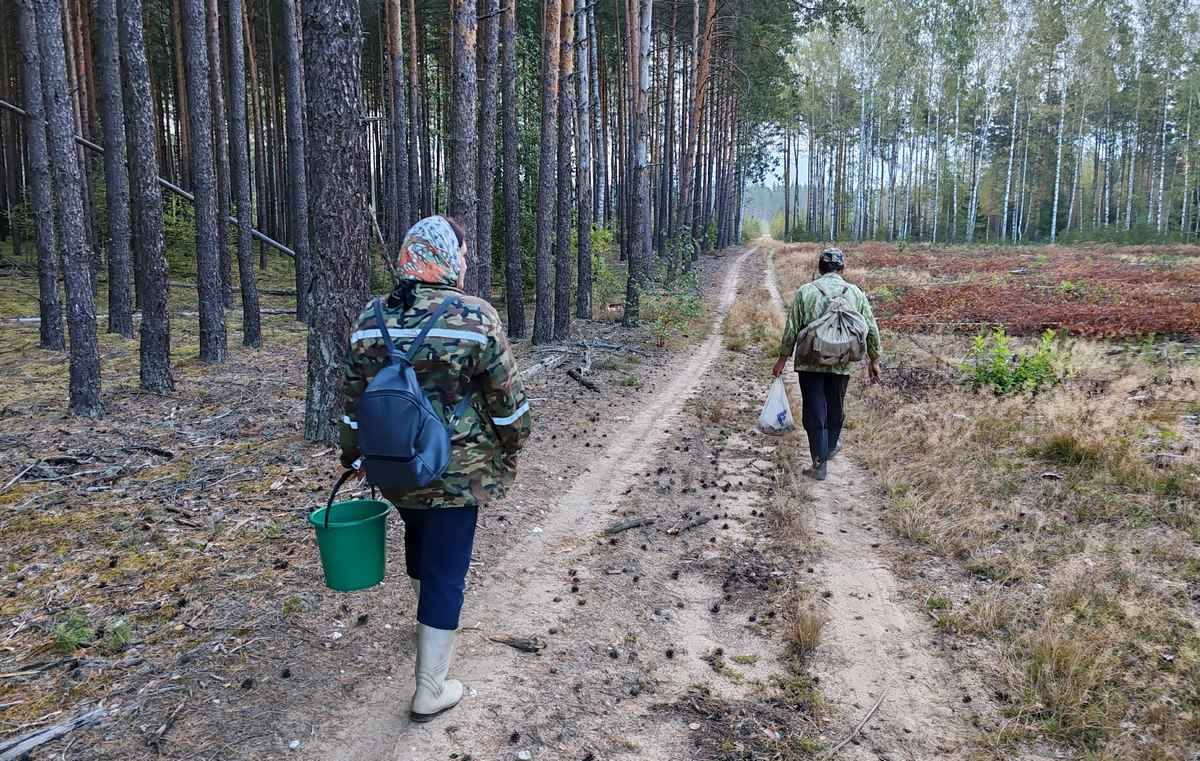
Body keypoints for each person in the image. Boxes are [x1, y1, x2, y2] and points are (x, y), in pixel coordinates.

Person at [338, 215, 531, 722]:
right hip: (457, 470)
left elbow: (350, 403)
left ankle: (428, 628)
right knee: (447, 569)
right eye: (463, 253)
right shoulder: (474, 317)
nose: (465, 263)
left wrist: (353, 455)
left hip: (395, 466)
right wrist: (513, 446)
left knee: (419, 539)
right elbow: (507, 404)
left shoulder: (370, 317)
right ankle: (431, 687)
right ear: (446, 255)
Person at [773, 247, 880, 481]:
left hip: (810, 362)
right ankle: (830, 446)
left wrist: (782, 359)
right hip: (842, 361)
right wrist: (874, 359)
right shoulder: (855, 293)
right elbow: (871, 328)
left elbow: (792, 329)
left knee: (815, 411)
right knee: (836, 407)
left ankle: (819, 464)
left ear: (820, 267)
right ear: (842, 268)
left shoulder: (806, 292)